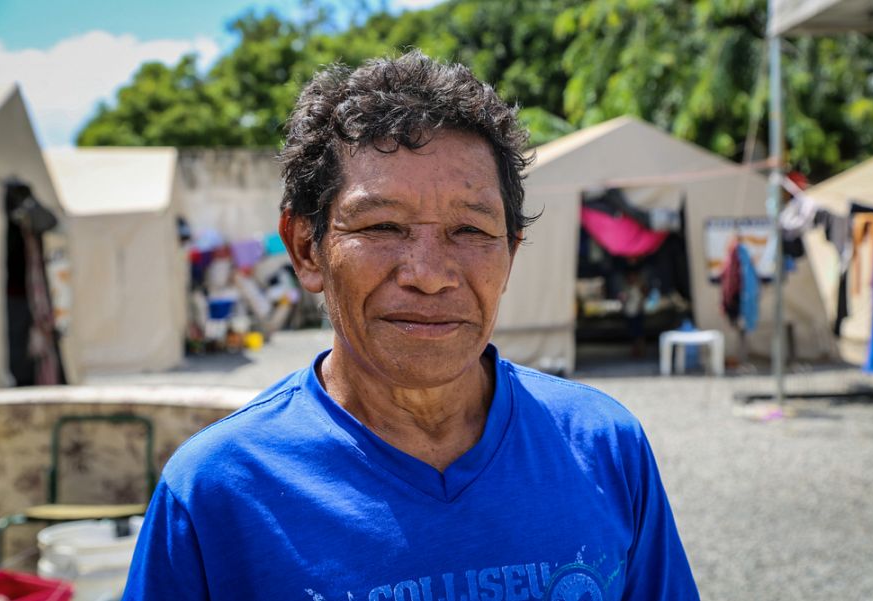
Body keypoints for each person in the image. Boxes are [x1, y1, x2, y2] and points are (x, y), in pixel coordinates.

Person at [122, 51, 699, 601]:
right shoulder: (217, 493)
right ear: (306, 249)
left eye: (470, 232)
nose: (428, 275)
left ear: (511, 253)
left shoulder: (603, 447)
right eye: (381, 227)